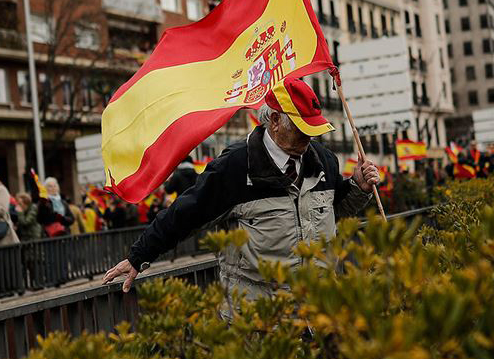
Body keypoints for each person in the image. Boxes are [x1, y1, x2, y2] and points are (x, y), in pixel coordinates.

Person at [102, 77, 379, 312]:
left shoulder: (325, 160)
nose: (309, 139)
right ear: (274, 120)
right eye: (302, 130)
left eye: (314, 130)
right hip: (260, 317)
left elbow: (334, 211)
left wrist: (357, 188)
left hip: (320, 310)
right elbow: (185, 214)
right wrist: (138, 257)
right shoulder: (234, 166)